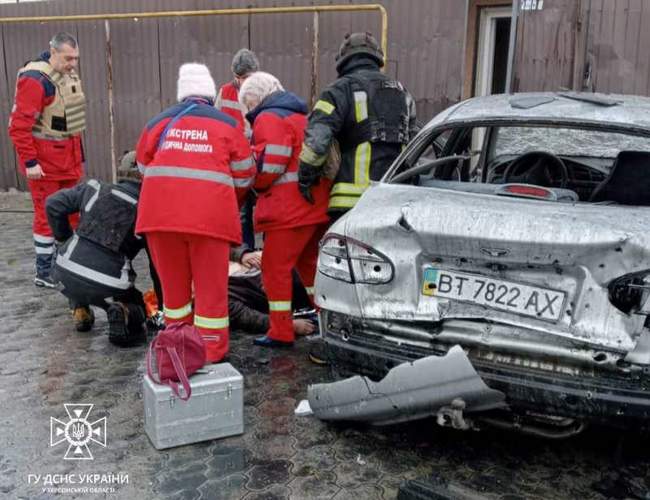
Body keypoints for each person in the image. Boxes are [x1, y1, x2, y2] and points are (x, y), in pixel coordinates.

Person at [135, 63, 255, 364]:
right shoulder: (227, 125)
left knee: (174, 294)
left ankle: (177, 349)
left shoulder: (157, 124)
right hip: (210, 221)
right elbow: (245, 174)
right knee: (210, 292)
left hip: (159, 220)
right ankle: (210, 353)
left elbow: (143, 167)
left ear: (181, 94)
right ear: (210, 94)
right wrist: (227, 198)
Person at [239, 71, 330, 348]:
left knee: (274, 268)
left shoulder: (269, 118)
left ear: (253, 101)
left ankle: (280, 331)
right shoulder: (300, 116)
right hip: (314, 207)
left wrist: (252, 181)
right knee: (310, 267)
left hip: (288, 211)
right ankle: (330, 320)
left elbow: (270, 165)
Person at [297, 32, 418, 221]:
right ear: (377, 58)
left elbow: (318, 140)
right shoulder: (402, 92)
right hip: (396, 201)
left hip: (352, 203)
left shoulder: (337, 91)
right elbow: (414, 143)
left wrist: (306, 175)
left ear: (344, 61)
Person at [46, 152, 160, 345]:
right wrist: (164, 306)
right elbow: (157, 266)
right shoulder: (148, 210)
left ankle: (79, 309)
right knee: (139, 308)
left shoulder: (94, 188)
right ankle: (123, 311)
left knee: (76, 263)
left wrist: (64, 241)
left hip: (63, 272)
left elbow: (52, 204)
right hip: (109, 281)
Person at [8, 32, 86, 288]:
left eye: (75, 58)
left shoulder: (67, 76)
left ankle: (69, 264)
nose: (72, 63)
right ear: (53, 52)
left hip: (69, 158)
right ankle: (44, 271)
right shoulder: (34, 80)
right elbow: (19, 126)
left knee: (74, 213)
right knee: (45, 215)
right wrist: (30, 163)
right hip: (45, 163)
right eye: (67, 58)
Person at [216, 48, 261, 250]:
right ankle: (245, 258)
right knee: (241, 215)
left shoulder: (265, 91)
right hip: (236, 164)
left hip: (260, 161)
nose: (243, 82)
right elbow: (217, 125)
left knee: (266, 216)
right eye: (239, 77)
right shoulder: (225, 92)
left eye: (247, 77)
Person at [228, 249, 316, 336]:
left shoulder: (220, 260)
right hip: (299, 285)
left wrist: (242, 254)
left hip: (296, 257)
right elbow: (248, 317)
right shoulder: (223, 297)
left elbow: (224, 243)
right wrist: (288, 325)